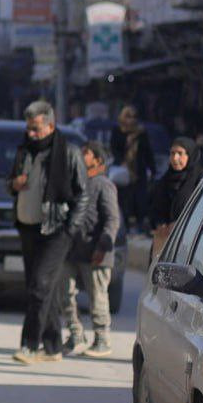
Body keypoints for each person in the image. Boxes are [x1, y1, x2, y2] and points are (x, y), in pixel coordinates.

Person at [8, 100, 88, 365]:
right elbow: (10, 182)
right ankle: (52, 346)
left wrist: (70, 228)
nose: (31, 134)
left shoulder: (68, 153)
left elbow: (83, 194)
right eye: (29, 128)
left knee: (39, 285)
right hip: (28, 227)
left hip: (56, 229)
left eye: (36, 129)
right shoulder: (24, 151)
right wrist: (14, 184)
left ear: (51, 126)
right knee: (44, 288)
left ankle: (29, 345)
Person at [58, 141, 120, 358]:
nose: (81, 155)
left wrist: (103, 246)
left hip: (96, 252)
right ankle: (75, 334)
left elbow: (112, 219)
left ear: (98, 160)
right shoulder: (75, 181)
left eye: (86, 153)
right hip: (71, 249)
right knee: (64, 292)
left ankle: (102, 339)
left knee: (97, 297)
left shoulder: (104, 185)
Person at [150, 137, 203, 257]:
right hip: (164, 243)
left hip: (189, 245)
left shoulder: (201, 181)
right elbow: (154, 209)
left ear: (191, 155)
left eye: (180, 153)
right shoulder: (164, 181)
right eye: (172, 153)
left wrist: (180, 224)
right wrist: (160, 223)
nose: (175, 158)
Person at [110, 105, 153, 233]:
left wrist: (152, 168)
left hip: (139, 170)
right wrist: (121, 161)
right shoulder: (117, 131)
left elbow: (147, 151)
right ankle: (125, 225)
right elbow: (114, 148)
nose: (131, 120)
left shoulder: (141, 132)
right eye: (128, 117)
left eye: (134, 117)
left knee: (140, 198)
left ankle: (140, 223)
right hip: (123, 171)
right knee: (124, 199)